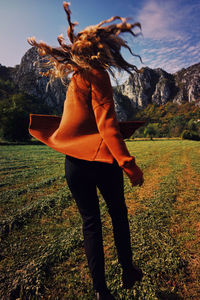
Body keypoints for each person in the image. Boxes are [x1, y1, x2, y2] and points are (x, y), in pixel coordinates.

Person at [28, 2, 144, 299]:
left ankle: (101, 292)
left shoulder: (75, 79)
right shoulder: (97, 75)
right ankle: (128, 271)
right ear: (102, 50)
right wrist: (129, 165)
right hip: (102, 161)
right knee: (118, 214)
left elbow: (77, 122)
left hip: (74, 164)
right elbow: (106, 125)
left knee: (90, 223)